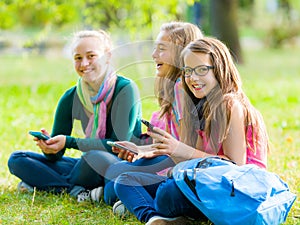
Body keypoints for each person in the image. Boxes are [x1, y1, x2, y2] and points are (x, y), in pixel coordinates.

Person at [114, 37, 270, 224]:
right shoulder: (199, 106)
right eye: (188, 71)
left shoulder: (229, 104)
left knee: (166, 194)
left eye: (202, 70)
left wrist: (178, 149)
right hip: (205, 183)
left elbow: (234, 167)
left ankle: (159, 209)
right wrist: (148, 150)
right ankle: (156, 219)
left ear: (220, 69)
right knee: (124, 180)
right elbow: (194, 161)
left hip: (236, 192)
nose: (193, 78)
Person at [78, 21, 204, 205]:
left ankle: (135, 196)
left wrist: (147, 156)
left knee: (114, 181)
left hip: (183, 166)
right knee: (114, 174)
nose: (154, 55)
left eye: (161, 49)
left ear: (180, 52)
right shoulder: (174, 88)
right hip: (172, 160)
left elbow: (183, 150)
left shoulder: (182, 89)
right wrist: (141, 151)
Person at [7, 29, 141, 199]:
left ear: (107, 56)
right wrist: (49, 148)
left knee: (93, 158)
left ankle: (45, 184)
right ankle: (75, 190)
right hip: (85, 167)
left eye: (91, 56)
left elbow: (119, 145)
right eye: (78, 58)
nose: (84, 64)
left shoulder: (125, 89)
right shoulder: (71, 97)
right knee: (18, 159)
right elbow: (56, 156)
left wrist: (69, 142)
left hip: (119, 165)